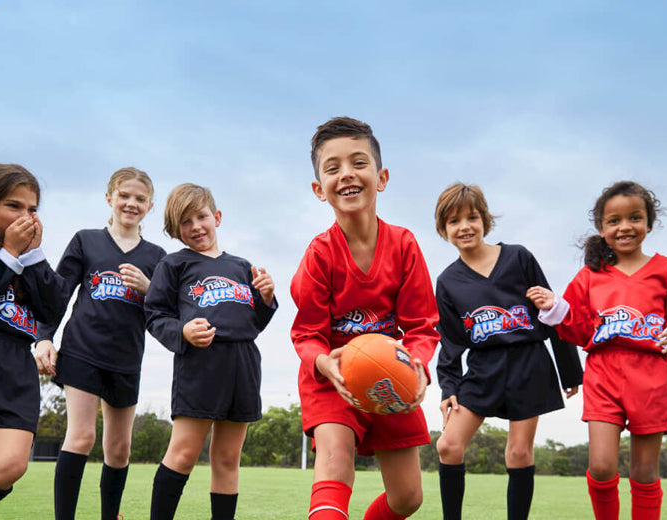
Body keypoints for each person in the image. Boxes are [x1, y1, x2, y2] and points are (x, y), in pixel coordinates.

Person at [290, 116, 440, 520]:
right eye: (332, 168)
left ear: (382, 176)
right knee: (335, 463)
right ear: (319, 189)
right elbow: (306, 333)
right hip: (332, 377)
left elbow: (423, 325)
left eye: (358, 162)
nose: (347, 175)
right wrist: (325, 363)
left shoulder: (405, 244)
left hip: (392, 373)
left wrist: (419, 364)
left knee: (408, 497)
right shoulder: (320, 254)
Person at [527, 180, 667, 520]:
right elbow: (578, 330)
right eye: (614, 221)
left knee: (644, 471)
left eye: (635, 217)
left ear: (649, 223)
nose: (625, 226)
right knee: (602, 465)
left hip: (652, 377)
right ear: (602, 228)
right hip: (603, 374)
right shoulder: (590, 276)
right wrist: (554, 307)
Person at [433, 183, 583, 520]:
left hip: (528, 362)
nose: (465, 226)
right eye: (454, 221)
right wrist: (449, 388)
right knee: (448, 445)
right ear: (443, 230)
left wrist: (570, 370)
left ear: (485, 219)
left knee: (517, 453)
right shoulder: (448, 281)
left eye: (472, 217)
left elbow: (550, 310)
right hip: (483, 369)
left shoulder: (518, 257)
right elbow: (452, 340)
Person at [34, 167, 165, 520]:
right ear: (109, 198)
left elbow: (165, 311)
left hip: (125, 359)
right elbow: (59, 294)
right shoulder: (85, 240)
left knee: (119, 449)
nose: (131, 203)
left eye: (140, 198)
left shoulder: (156, 256)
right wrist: (44, 338)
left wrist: (149, 289)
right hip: (82, 350)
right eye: (124, 195)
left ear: (150, 206)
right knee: (81, 437)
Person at [145, 183, 276, 520]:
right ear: (176, 231)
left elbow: (254, 323)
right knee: (184, 453)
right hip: (201, 364)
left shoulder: (242, 266)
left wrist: (265, 298)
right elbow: (155, 315)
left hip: (243, 363)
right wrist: (182, 331)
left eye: (201, 216)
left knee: (228, 458)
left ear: (216, 217)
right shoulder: (174, 265)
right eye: (185, 222)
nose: (196, 226)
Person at [0, 163, 66, 508]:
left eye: (32, 209)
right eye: (14, 205)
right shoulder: (5, 255)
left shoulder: (29, 259)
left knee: (9, 465)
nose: (27, 215)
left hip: (16, 372)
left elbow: (52, 310)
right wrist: (7, 254)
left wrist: (32, 255)